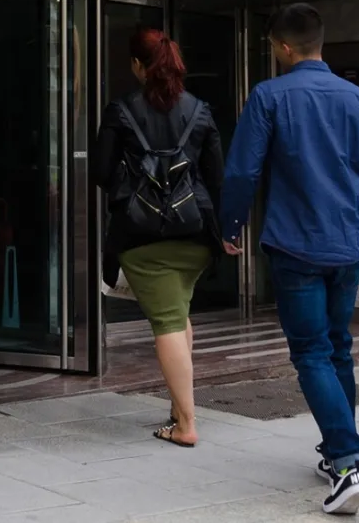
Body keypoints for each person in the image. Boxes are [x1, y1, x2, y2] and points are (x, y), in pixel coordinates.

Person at [219, 3, 359, 515]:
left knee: (310, 352)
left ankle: (350, 462)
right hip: (346, 247)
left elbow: (243, 171)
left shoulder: (269, 96)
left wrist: (230, 225)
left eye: (272, 46)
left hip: (293, 246)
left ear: (285, 47)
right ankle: (337, 456)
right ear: (319, 43)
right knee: (334, 350)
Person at [93, 28, 224, 448]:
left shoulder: (121, 111)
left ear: (136, 65)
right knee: (178, 315)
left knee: (166, 322)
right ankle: (176, 409)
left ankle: (185, 424)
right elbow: (217, 177)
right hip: (196, 233)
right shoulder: (201, 111)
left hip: (144, 237)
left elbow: (100, 172)